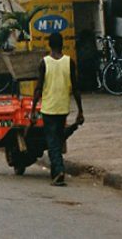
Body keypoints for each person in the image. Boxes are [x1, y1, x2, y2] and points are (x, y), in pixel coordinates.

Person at [30, 33, 84, 187]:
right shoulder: (69, 62)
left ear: (49, 45)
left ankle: (59, 171)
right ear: (62, 44)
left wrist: (34, 109)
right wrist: (80, 110)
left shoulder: (44, 63)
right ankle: (56, 172)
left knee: (53, 142)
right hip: (63, 107)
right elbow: (76, 89)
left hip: (49, 108)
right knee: (58, 139)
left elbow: (38, 88)